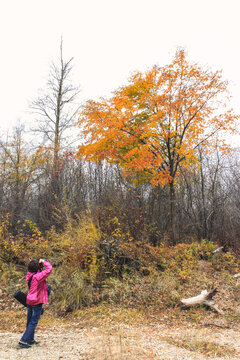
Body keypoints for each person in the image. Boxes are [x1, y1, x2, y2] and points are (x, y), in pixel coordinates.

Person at [17, 258, 52, 349]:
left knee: (29, 321)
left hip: (29, 300)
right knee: (33, 322)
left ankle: (30, 339)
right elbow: (49, 269)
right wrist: (43, 262)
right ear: (37, 268)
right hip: (36, 301)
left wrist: (38, 266)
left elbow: (39, 272)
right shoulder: (38, 277)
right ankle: (23, 341)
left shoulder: (29, 275)